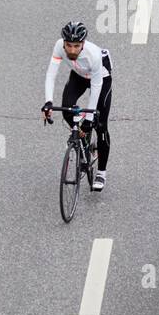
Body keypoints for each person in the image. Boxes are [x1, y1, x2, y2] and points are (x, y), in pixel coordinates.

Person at [42, 22, 112, 193]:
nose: (72, 50)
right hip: (79, 75)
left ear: (83, 43)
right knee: (66, 109)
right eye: (69, 46)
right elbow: (51, 74)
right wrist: (48, 102)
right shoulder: (59, 47)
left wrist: (89, 120)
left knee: (100, 125)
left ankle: (101, 172)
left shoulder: (93, 55)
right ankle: (81, 138)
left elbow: (96, 86)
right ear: (63, 43)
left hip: (100, 77)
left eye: (76, 46)